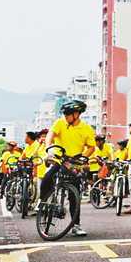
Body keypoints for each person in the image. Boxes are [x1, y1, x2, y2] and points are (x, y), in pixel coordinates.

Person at [41, 100, 95, 236]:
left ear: (76, 114)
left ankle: (76, 225)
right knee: (47, 178)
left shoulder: (86, 128)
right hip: (59, 158)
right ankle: (41, 203)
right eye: (64, 114)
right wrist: (49, 148)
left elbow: (91, 147)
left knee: (74, 195)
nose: (65, 117)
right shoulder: (60, 123)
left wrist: (83, 157)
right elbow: (50, 135)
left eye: (68, 114)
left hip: (74, 162)